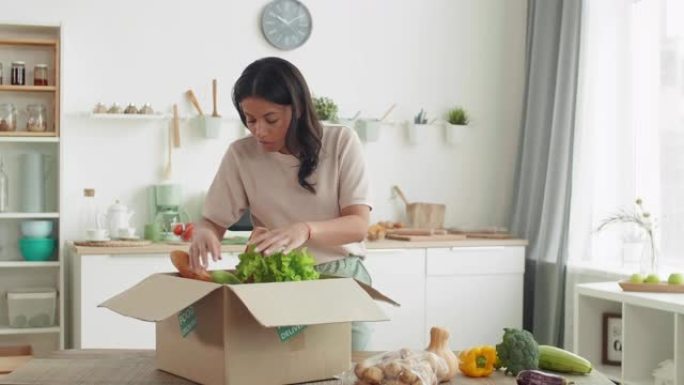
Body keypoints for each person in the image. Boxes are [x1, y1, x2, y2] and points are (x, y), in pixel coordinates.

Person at [188, 57, 373, 350]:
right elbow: (213, 221)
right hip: (276, 288)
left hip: (340, 279)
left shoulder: (340, 142)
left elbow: (358, 225)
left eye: (270, 119)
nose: (259, 130)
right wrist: (205, 232)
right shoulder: (241, 155)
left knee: (350, 372)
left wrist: (305, 230)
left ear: (297, 110)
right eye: (250, 119)